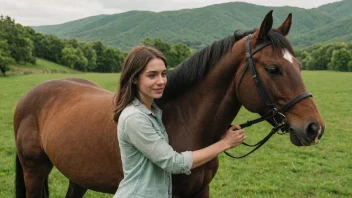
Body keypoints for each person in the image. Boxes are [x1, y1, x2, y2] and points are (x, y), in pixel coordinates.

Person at [113, 46, 246, 198]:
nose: (161, 81)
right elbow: (173, 163)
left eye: (164, 74)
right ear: (134, 78)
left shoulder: (153, 112)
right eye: (152, 75)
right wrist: (225, 143)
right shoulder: (134, 118)